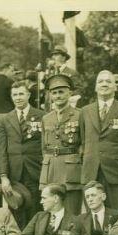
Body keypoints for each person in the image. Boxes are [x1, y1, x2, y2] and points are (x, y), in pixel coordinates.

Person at [80, 70, 118, 212]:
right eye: (100, 81)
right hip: (92, 172)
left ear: (115, 87)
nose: (104, 84)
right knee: (93, 215)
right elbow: (83, 140)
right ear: (95, 87)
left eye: (108, 81)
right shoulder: (85, 111)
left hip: (117, 171)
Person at [0, 82, 45, 221]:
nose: (18, 97)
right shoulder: (5, 120)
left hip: (36, 170)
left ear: (28, 95)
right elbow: (1, 151)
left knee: (37, 207)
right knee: (17, 208)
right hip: (15, 173)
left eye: (21, 94)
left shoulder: (42, 116)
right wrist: (3, 176)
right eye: (15, 94)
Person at [40, 74, 83, 215]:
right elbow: (44, 147)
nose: (58, 96)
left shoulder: (79, 115)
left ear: (70, 93)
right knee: (52, 209)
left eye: (61, 92)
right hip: (51, 168)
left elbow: (84, 144)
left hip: (71, 169)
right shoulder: (46, 118)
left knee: (71, 210)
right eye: (54, 93)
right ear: (50, 95)